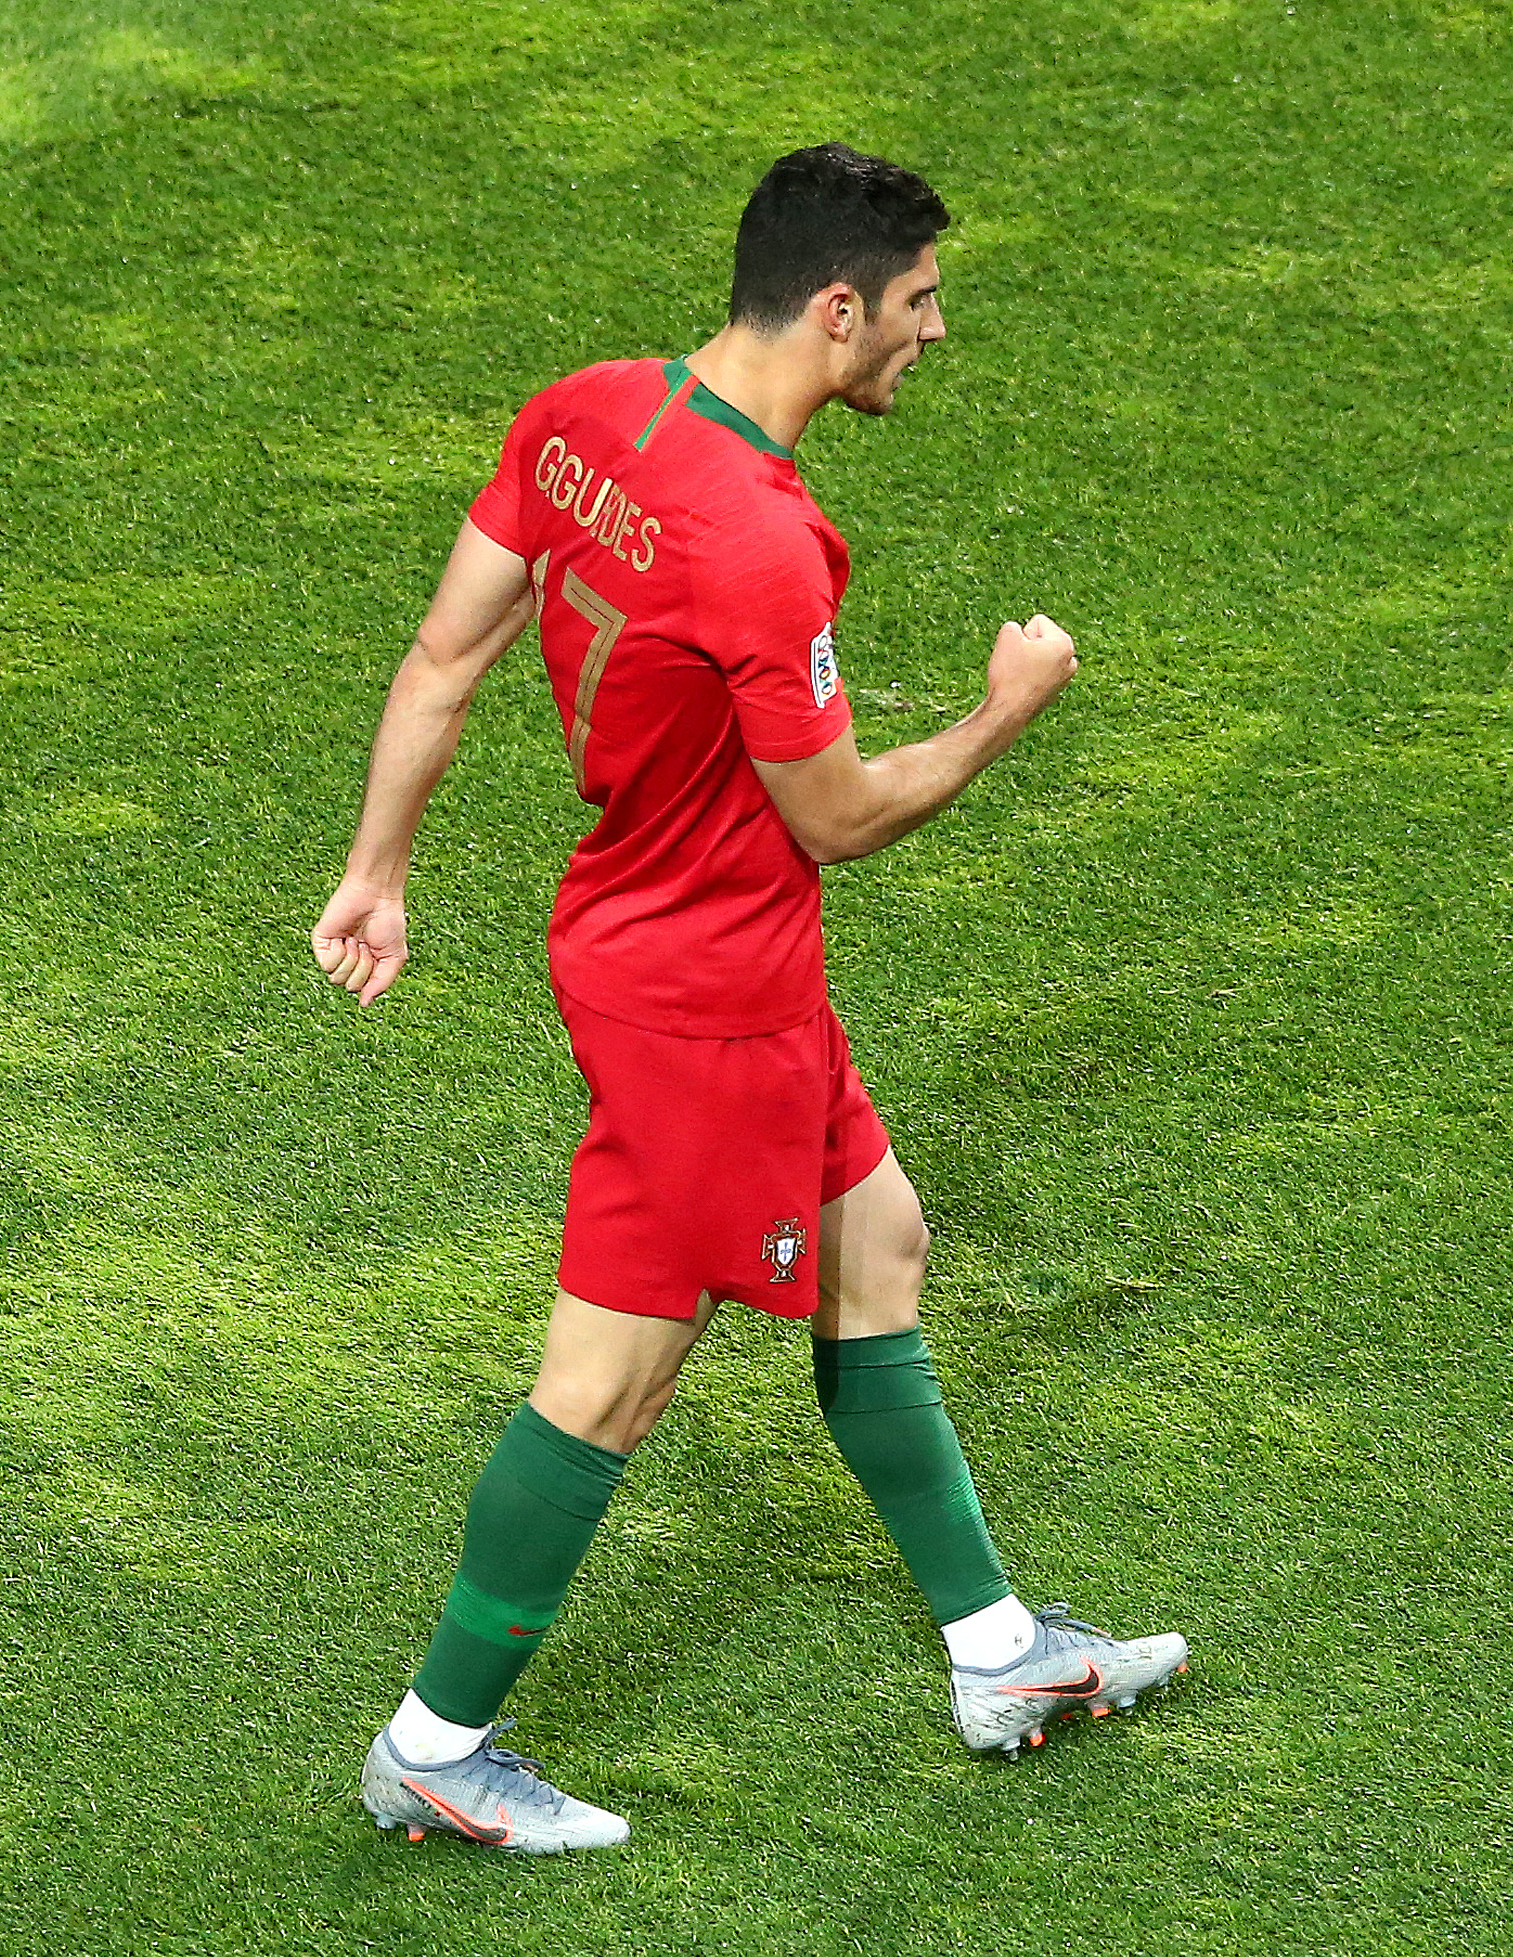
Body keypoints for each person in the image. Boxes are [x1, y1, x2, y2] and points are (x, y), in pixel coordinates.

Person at [309, 143, 1188, 1854]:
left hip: (685, 954)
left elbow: (446, 653)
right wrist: (1008, 707)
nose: (936, 335)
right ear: (839, 307)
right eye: (921, 306)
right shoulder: (766, 547)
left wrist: (379, 870)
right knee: (616, 1379)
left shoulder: (583, 415)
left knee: (885, 1242)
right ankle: (434, 1741)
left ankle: (999, 1651)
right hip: (703, 994)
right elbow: (838, 815)